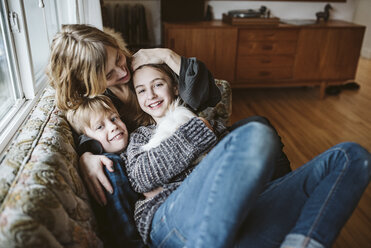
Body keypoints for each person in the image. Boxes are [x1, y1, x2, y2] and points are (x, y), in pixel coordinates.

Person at [46, 24, 289, 247]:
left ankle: (279, 199)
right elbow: (91, 127)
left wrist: (166, 56)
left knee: (259, 125)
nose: (122, 71)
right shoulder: (100, 101)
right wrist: (86, 154)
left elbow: (208, 97)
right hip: (165, 166)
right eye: (110, 74)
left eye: (119, 57)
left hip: (195, 141)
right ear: (91, 83)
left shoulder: (140, 66)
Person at [115, 62, 371, 248]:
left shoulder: (213, 127)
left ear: (175, 88)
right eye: (141, 90)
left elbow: (237, 172)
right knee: (256, 133)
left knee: (351, 155)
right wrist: (197, 131)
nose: (151, 95)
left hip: (241, 217)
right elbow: (141, 177)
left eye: (157, 85)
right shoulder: (141, 137)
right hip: (173, 220)